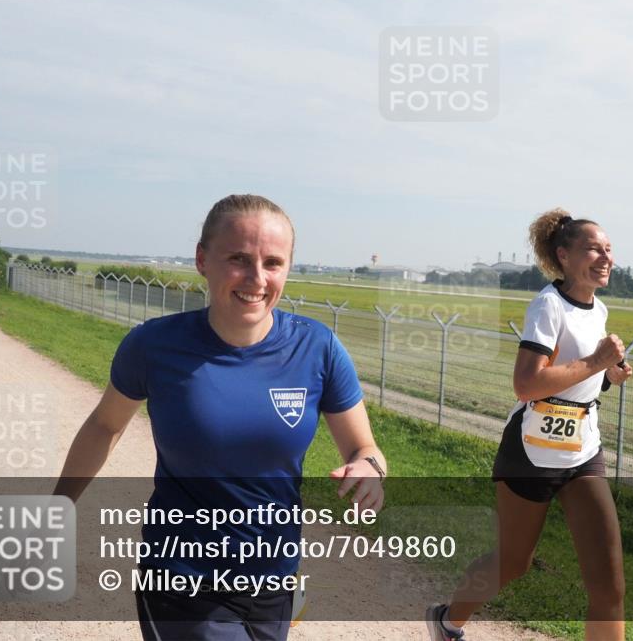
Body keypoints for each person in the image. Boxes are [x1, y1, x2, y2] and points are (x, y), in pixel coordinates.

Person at [55, 194, 386, 641]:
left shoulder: (318, 349)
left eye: (273, 263)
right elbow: (104, 426)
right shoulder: (154, 346)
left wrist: (370, 471)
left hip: (275, 579)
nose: (257, 278)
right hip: (182, 580)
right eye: (238, 259)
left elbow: (364, 448)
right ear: (202, 260)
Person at [426, 211, 631, 641]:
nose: (605, 257)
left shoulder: (599, 309)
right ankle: (447, 621)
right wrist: (596, 360)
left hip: (582, 450)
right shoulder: (548, 305)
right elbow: (526, 384)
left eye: (608, 249)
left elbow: (577, 377)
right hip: (531, 451)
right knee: (514, 561)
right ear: (564, 255)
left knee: (609, 586)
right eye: (593, 249)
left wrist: (606, 376)